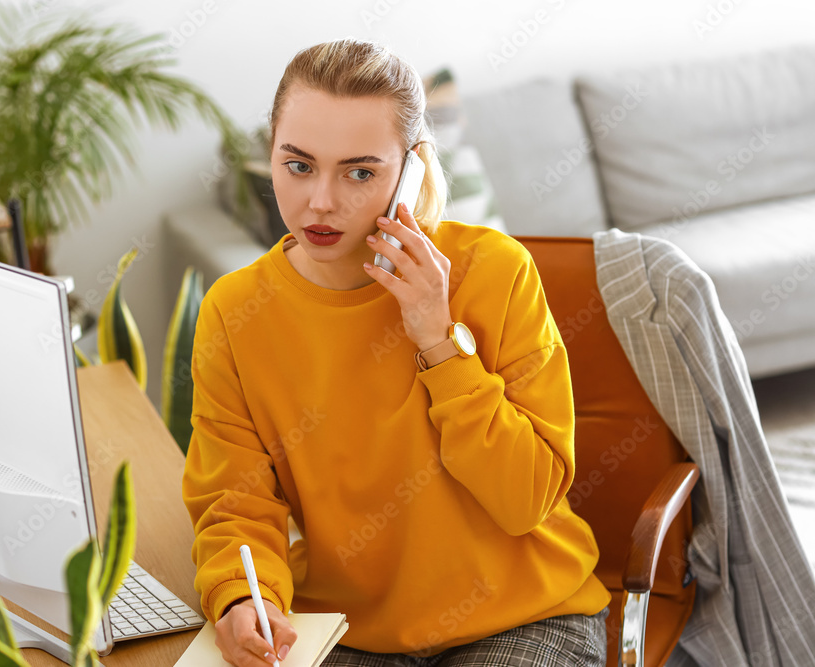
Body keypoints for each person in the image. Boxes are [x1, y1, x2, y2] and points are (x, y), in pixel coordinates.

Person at [182, 38, 612, 667]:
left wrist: (438, 341)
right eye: (297, 165)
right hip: (348, 632)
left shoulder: (495, 272)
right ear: (271, 154)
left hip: (524, 618)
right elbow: (235, 504)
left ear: (411, 171)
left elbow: (526, 500)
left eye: (360, 172)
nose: (321, 201)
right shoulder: (234, 311)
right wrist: (240, 599)